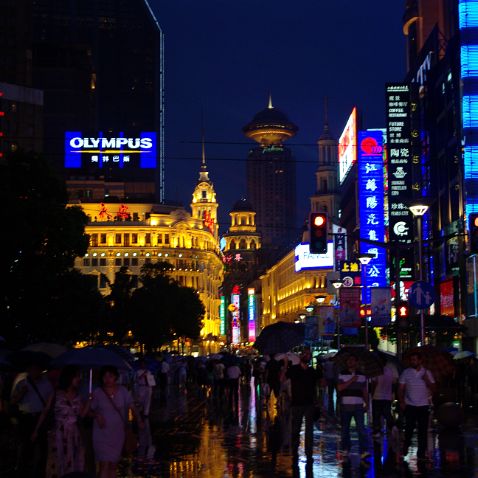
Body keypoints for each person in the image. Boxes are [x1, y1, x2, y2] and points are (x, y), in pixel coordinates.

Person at [33, 365, 90, 477]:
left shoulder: (78, 397)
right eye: (76, 377)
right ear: (69, 378)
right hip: (59, 433)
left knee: (73, 462)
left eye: (79, 377)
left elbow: (82, 415)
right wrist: (36, 430)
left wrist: (89, 402)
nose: (78, 379)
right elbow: (45, 412)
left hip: (74, 435)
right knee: (58, 461)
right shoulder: (56, 394)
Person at [90, 365, 144, 478]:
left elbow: (132, 406)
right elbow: (89, 410)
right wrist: (96, 415)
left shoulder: (123, 391)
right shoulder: (98, 392)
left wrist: (138, 419)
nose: (107, 379)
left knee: (113, 465)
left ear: (115, 377)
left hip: (117, 433)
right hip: (101, 432)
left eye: (110, 376)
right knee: (104, 464)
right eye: (104, 377)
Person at [11, 362, 54, 478]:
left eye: (37, 369)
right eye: (32, 369)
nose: (34, 372)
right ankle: (24, 471)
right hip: (26, 417)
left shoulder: (46, 384)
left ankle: (39, 472)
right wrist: (21, 393)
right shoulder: (22, 383)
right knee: (26, 446)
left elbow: (50, 401)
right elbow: (14, 400)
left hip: (40, 416)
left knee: (42, 447)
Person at [398, 352, 435, 462]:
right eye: (411, 360)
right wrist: (401, 401)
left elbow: (434, 388)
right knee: (409, 429)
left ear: (420, 360)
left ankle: (421, 452)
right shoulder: (406, 372)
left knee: (422, 431)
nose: (412, 361)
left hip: (423, 405)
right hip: (410, 405)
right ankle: (406, 446)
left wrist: (426, 380)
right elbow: (400, 388)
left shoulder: (427, 372)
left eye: (415, 359)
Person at [287, 349, 320, 463]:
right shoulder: (293, 369)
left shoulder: (312, 371)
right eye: (305, 354)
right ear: (301, 356)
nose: (307, 356)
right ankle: (295, 449)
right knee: (296, 428)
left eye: (309, 354)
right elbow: (283, 379)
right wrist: (285, 366)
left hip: (309, 403)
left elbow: (320, 384)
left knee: (309, 429)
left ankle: (308, 451)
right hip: (297, 402)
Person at [337, 354, 370, 460]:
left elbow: (364, 390)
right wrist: (352, 380)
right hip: (345, 406)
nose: (350, 362)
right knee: (345, 429)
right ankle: (346, 448)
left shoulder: (362, 375)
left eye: (353, 360)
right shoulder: (342, 374)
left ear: (356, 362)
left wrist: (367, 403)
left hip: (358, 405)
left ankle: (363, 450)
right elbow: (340, 388)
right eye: (349, 360)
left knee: (361, 429)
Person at [371, 358, 398, 437]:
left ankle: (377, 431)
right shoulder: (390, 371)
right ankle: (393, 426)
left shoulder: (377, 371)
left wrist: (372, 394)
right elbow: (394, 382)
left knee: (376, 414)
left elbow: (374, 383)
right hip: (387, 396)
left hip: (377, 396)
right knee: (387, 413)